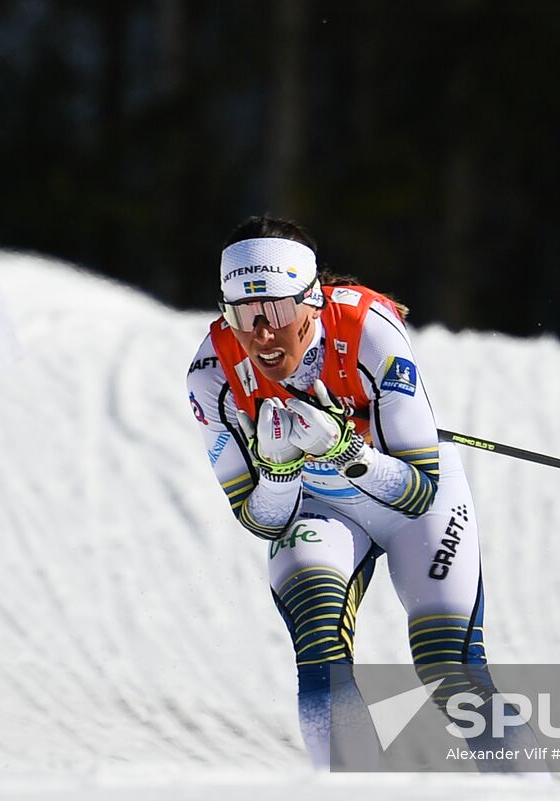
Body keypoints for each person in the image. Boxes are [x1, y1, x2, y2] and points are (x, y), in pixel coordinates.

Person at [186, 216, 522, 769]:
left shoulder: (367, 332)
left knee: (448, 667)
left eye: (276, 312)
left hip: (409, 499)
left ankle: (531, 799)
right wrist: (276, 472)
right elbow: (261, 519)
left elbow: (420, 492)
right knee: (318, 647)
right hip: (322, 506)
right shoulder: (212, 373)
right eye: (242, 315)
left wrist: (349, 453)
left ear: (310, 301)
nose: (261, 335)